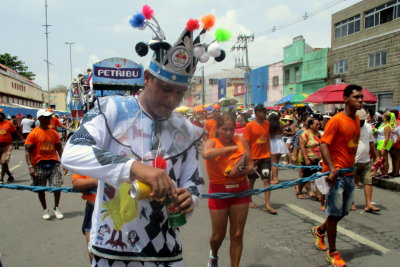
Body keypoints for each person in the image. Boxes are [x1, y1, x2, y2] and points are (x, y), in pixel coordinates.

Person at [61, 7, 216, 265]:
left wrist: (191, 197)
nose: (171, 99)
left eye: (180, 92)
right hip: (112, 249)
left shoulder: (186, 130)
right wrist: (134, 168)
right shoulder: (110, 109)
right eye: (165, 88)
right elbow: (73, 153)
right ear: (147, 78)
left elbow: (194, 179)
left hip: (167, 251)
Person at [311, 84, 362, 267]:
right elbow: (324, 144)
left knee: (342, 212)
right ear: (346, 99)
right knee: (334, 212)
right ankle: (333, 253)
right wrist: (331, 168)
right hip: (336, 175)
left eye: (361, 97)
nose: (360, 100)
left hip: (349, 173)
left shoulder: (356, 120)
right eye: (356, 97)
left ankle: (320, 230)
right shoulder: (336, 120)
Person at [202, 112, 254, 267]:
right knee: (218, 236)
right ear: (217, 129)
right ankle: (214, 253)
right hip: (219, 192)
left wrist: (241, 171)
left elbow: (251, 165)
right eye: (225, 129)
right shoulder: (212, 142)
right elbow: (206, 154)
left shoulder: (241, 140)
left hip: (240, 191)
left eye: (231, 129)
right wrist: (229, 149)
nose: (229, 133)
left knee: (237, 235)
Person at [25, 109, 64, 220]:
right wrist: (30, 167)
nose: (49, 119)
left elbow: (59, 148)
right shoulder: (33, 134)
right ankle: (45, 209)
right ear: (40, 118)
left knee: (57, 186)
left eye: (49, 117)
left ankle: (56, 207)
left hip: (54, 163)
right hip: (39, 164)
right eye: (46, 117)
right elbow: (27, 151)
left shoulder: (54, 133)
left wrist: (64, 163)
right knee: (41, 189)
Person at [243, 105, 277, 214]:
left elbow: (268, 138)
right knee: (251, 180)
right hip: (254, 158)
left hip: (266, 157)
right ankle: (249, 200)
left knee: (266, 180)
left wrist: (270, 153)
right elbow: (246, 144)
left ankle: (268, 204)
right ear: (257, 112)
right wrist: (249, 160)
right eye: (264, 112)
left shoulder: (267, 124)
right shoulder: (249, 126)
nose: (265, 114)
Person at [353, 108, 381, 213]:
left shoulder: (368, 127)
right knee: (350, 183)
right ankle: (350, 202)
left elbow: (371, 143)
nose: (362, 122)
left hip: (366, 160)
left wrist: (377, 156)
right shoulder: (350, 127)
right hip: (352, 161)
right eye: (360, 120)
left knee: (368, 181)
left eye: (363, 120)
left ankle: (368, 203)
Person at [71, 173, 98, 264]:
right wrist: (97, 181)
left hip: (119, 210)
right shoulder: (88, 161)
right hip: (93, 207)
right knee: (92, 248)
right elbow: (76, 183)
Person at [299, 118, 324, 210]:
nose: (318, 126)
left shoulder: (319, 134)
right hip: (308, 159)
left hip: (319, 160)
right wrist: (306, 159)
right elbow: (302, 147)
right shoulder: (304, 134)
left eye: (319, 125)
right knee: (306, 177)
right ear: (311, 125)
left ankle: (319, 195)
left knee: (319, 177)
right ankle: (299, 191)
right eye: (316, 124)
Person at [0, 112, 22, 183]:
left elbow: (15, 132)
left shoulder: (8, 123)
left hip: (7, 145)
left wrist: (21, 139)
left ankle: (1, 179)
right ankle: (10, 176)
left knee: (4, 162)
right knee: (4, 163)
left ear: (3, 117)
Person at [268, 112, 289, 185]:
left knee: (273, 162)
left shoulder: (269, 125)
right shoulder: (280, 124)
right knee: (276, 162)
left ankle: (275, 178)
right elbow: (283, 132)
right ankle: (274, 177)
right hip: (280, 143)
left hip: (272, 143)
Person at [375, 111, 394, 178]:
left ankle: (385, 173)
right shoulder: (383, 124)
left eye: (383, 115)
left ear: (385, 117)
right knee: (381, 158)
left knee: (385, 157)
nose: (382, 116)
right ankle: (381, 171)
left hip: (384, 142)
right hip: (380, 141)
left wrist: (384, 147)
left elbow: (387, 137)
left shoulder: (387, 126)